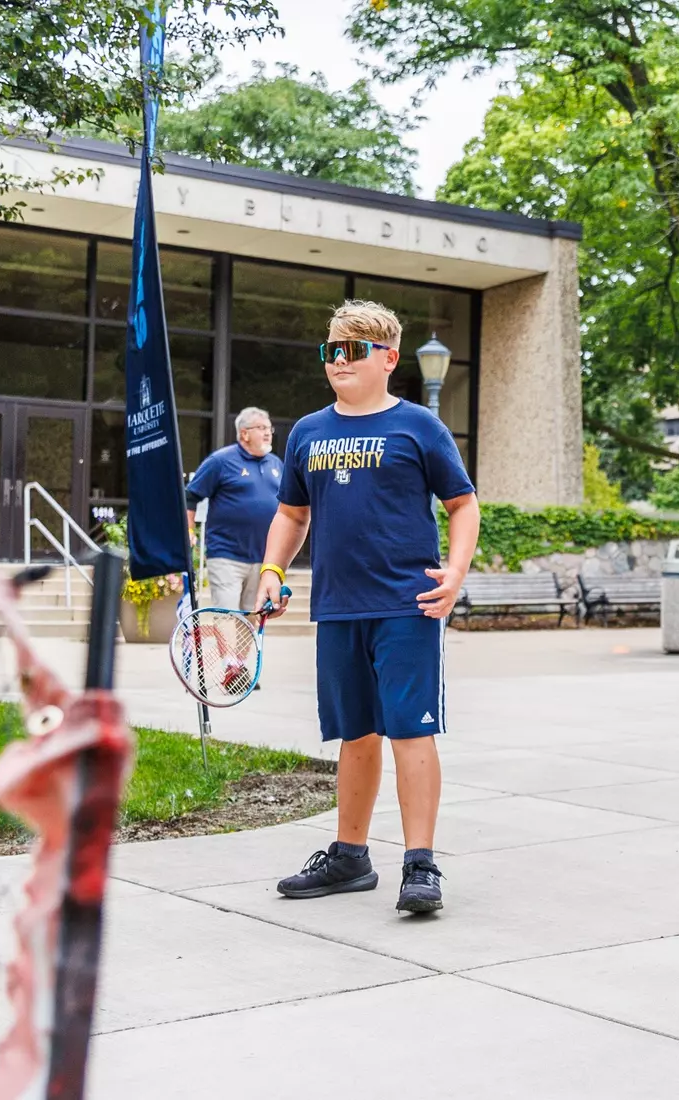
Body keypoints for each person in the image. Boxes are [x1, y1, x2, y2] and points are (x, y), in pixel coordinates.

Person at [255, 300, 480, 915]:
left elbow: (463, 504)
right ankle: (350, 857)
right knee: (355, 735)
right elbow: (291, 515)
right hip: (337, 607)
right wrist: (273, 569)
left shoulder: (419, 427)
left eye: (351, 350)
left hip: (408, 605)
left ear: (387, 358)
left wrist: (455, 573)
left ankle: (420, 865)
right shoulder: (306, 431)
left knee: (411, 731)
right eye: (330, 351)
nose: (338, 362)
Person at [184, 407, 282, 613]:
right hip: (226, 556)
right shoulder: (220, 461)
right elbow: (190, 496)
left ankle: (242, 648)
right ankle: (227, 648)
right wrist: (189, 530)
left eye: (269, 428)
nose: (267, 433)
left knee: (252, 617)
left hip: (264, 557)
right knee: (228, 616)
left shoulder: (277, 465)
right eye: (261, 428)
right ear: (244, 434)